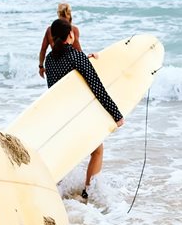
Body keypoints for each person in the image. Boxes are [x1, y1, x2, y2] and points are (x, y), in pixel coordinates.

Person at [43, 17, 124, 199]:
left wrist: (86, 60)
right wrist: (116, 115)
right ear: (70, 35)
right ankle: (89, 191)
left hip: (59, 116)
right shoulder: (76, 57)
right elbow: (97, 87)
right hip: (79, 115)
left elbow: (60, 82)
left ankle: (55, 192)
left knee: (66, 154)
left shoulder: (49, 60)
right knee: (97, 150)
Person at [38, 2, 84, 78]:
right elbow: (78, 51)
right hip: (69, 68)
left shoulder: (50, 30)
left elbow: (43, 50)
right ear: (69, 14)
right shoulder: (74, 30)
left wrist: (41, 67)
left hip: (54, 67)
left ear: (58, 14)